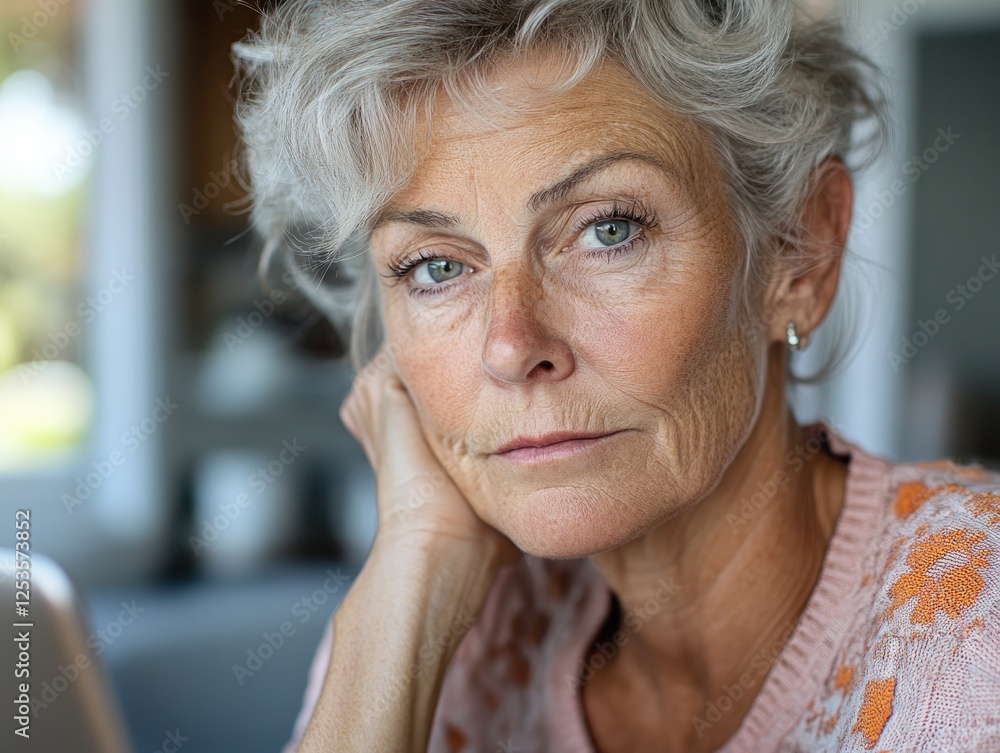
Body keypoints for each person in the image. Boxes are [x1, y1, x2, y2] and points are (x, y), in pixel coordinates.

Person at [232, 0, 1000, 750]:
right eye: (436, 266)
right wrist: (411, 578)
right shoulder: (423, 631)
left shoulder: (979, 641)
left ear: (798, 253)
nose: (510, 345)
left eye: (608, 230)